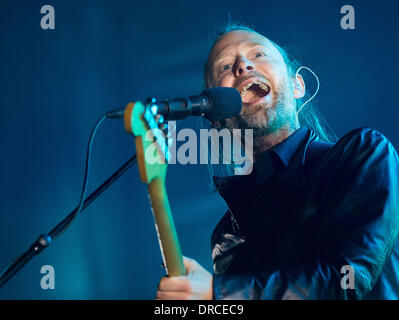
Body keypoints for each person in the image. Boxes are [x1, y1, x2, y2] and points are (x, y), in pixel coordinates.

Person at [155, 24, 399, 300]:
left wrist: (217, 292)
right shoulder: (228, 237)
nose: (243, 66)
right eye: (225, 67)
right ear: (216, 116)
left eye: (258, 55)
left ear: (297, 86)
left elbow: (345, 281)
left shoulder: (362, 155)